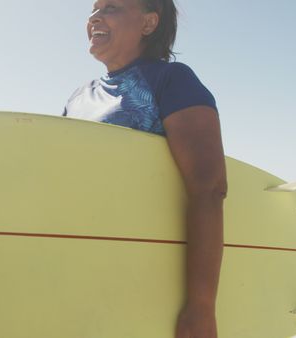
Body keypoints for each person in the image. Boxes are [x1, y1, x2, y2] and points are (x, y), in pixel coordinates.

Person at [62, 1, 227, 337]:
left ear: (149, 23)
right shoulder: (78, 98)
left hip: (144, 280)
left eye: (112, 8)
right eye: (94, 8)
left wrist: (200, 307)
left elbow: (208, 188)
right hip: (84, 279)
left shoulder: (170, 80)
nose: (95, 16)